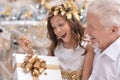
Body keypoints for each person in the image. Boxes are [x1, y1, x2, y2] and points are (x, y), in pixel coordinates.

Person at [19, 1, 94, 80]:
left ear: (72, 23)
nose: (58, 30)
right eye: (54, 27)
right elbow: (44, 70)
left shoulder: (87, 47)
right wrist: (29, 51)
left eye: (61, 24)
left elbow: (86, 78)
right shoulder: (54, 47)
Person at [85, 0, 120, 80]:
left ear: (113, 30)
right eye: (87, 25)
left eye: (92, 27)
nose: (86, 32)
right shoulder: (97, 48)